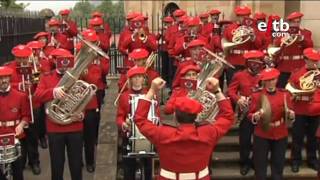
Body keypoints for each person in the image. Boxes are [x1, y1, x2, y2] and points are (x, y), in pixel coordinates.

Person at [134, 77, 234, 180]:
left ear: (175, 116)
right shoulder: (208, 132)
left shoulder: (162, 133)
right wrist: (217, 91)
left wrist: (152, 91)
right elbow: (228, 116)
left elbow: (139, 119)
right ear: (196, 116)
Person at [34, 48, 83, 180]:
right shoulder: (47, 77)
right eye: (61, 60)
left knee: (76, 165)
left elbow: (84, 98)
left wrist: (81, 114)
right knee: (57, 165)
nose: (64, 64)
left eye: (67, 61)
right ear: (54, 61)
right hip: (54, 128)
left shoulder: (76, 77)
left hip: (75, 126)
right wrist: (53, 92)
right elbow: (37, 96)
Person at [248, 68, 295, 180]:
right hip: (262, 133)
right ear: (263, 81)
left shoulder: (284, 94)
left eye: (272, 79)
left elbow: (290, 112)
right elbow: (250, 114)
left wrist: (291, 114)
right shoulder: (257, 95)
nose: (270, 82)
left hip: (280, 133)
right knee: (260, 164)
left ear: (277, 80)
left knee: (278, 163)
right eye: (267, 80)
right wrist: (255, 116)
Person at [116, 66, 160, 180]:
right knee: (128, 170)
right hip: (130, 134)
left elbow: (157, 115)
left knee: (149, 170)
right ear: (130, 80)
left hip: (148, 135)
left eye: (139, 77)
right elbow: (119, 117)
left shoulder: (150, 94)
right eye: (134, 77)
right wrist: (123, 124)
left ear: (143, 79)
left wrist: (157, 125)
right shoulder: (124, 96)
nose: (137, 79)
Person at [5, 44, 41, 175]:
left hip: (31, 105)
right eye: (19, 58)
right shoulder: (9, 68)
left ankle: (34, 162)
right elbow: (4, 83)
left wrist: (36, 75)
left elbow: (38, 84)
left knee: (32, 137)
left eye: (24, 57)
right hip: (16, 107)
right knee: (19, 139)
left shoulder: (32, 67)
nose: (22, 60)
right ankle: (21, 162)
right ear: (15, 57)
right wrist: (20, 85)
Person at [227, 50, 265, 175]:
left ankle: (256, 161)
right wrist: (238, 99)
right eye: (252, 63)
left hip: (262, 110)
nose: (255, 66)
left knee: (260, 140)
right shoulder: (239, 75)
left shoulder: (265, 75)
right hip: (246, 111)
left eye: (257, 63)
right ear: (247, 63)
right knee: (245, 139)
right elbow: (231, 91)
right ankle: (244, 162)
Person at [287, 48, 320, 172]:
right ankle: (296, 160)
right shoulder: (297, 73)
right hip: (300, 110)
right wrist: (290, 108)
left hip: (316, 111)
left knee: (313, 138)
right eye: (312, 60)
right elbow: (290, 90)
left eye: (317, 61)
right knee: (297, 137)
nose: (315, 63)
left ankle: (312, 159)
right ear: (305, 60)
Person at [0, 66, 30, 180]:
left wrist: (22, 125)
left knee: (18, 170)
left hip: (16, 136)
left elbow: (26, 116)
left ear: (9, 78)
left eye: (5, 77)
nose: (3, 81)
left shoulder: (20, 96)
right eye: (0, 78)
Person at [274, 11, 313, 88]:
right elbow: (276, 43)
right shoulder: (283, 32)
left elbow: (310, 46)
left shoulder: (305, 33)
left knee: (298, 87)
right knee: (282, 88)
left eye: (298, 22)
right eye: (294, 22)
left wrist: (302, 39)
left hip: (299, 65)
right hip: (284, 66)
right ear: (289, 23)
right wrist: (285, 38)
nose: (296, 24)